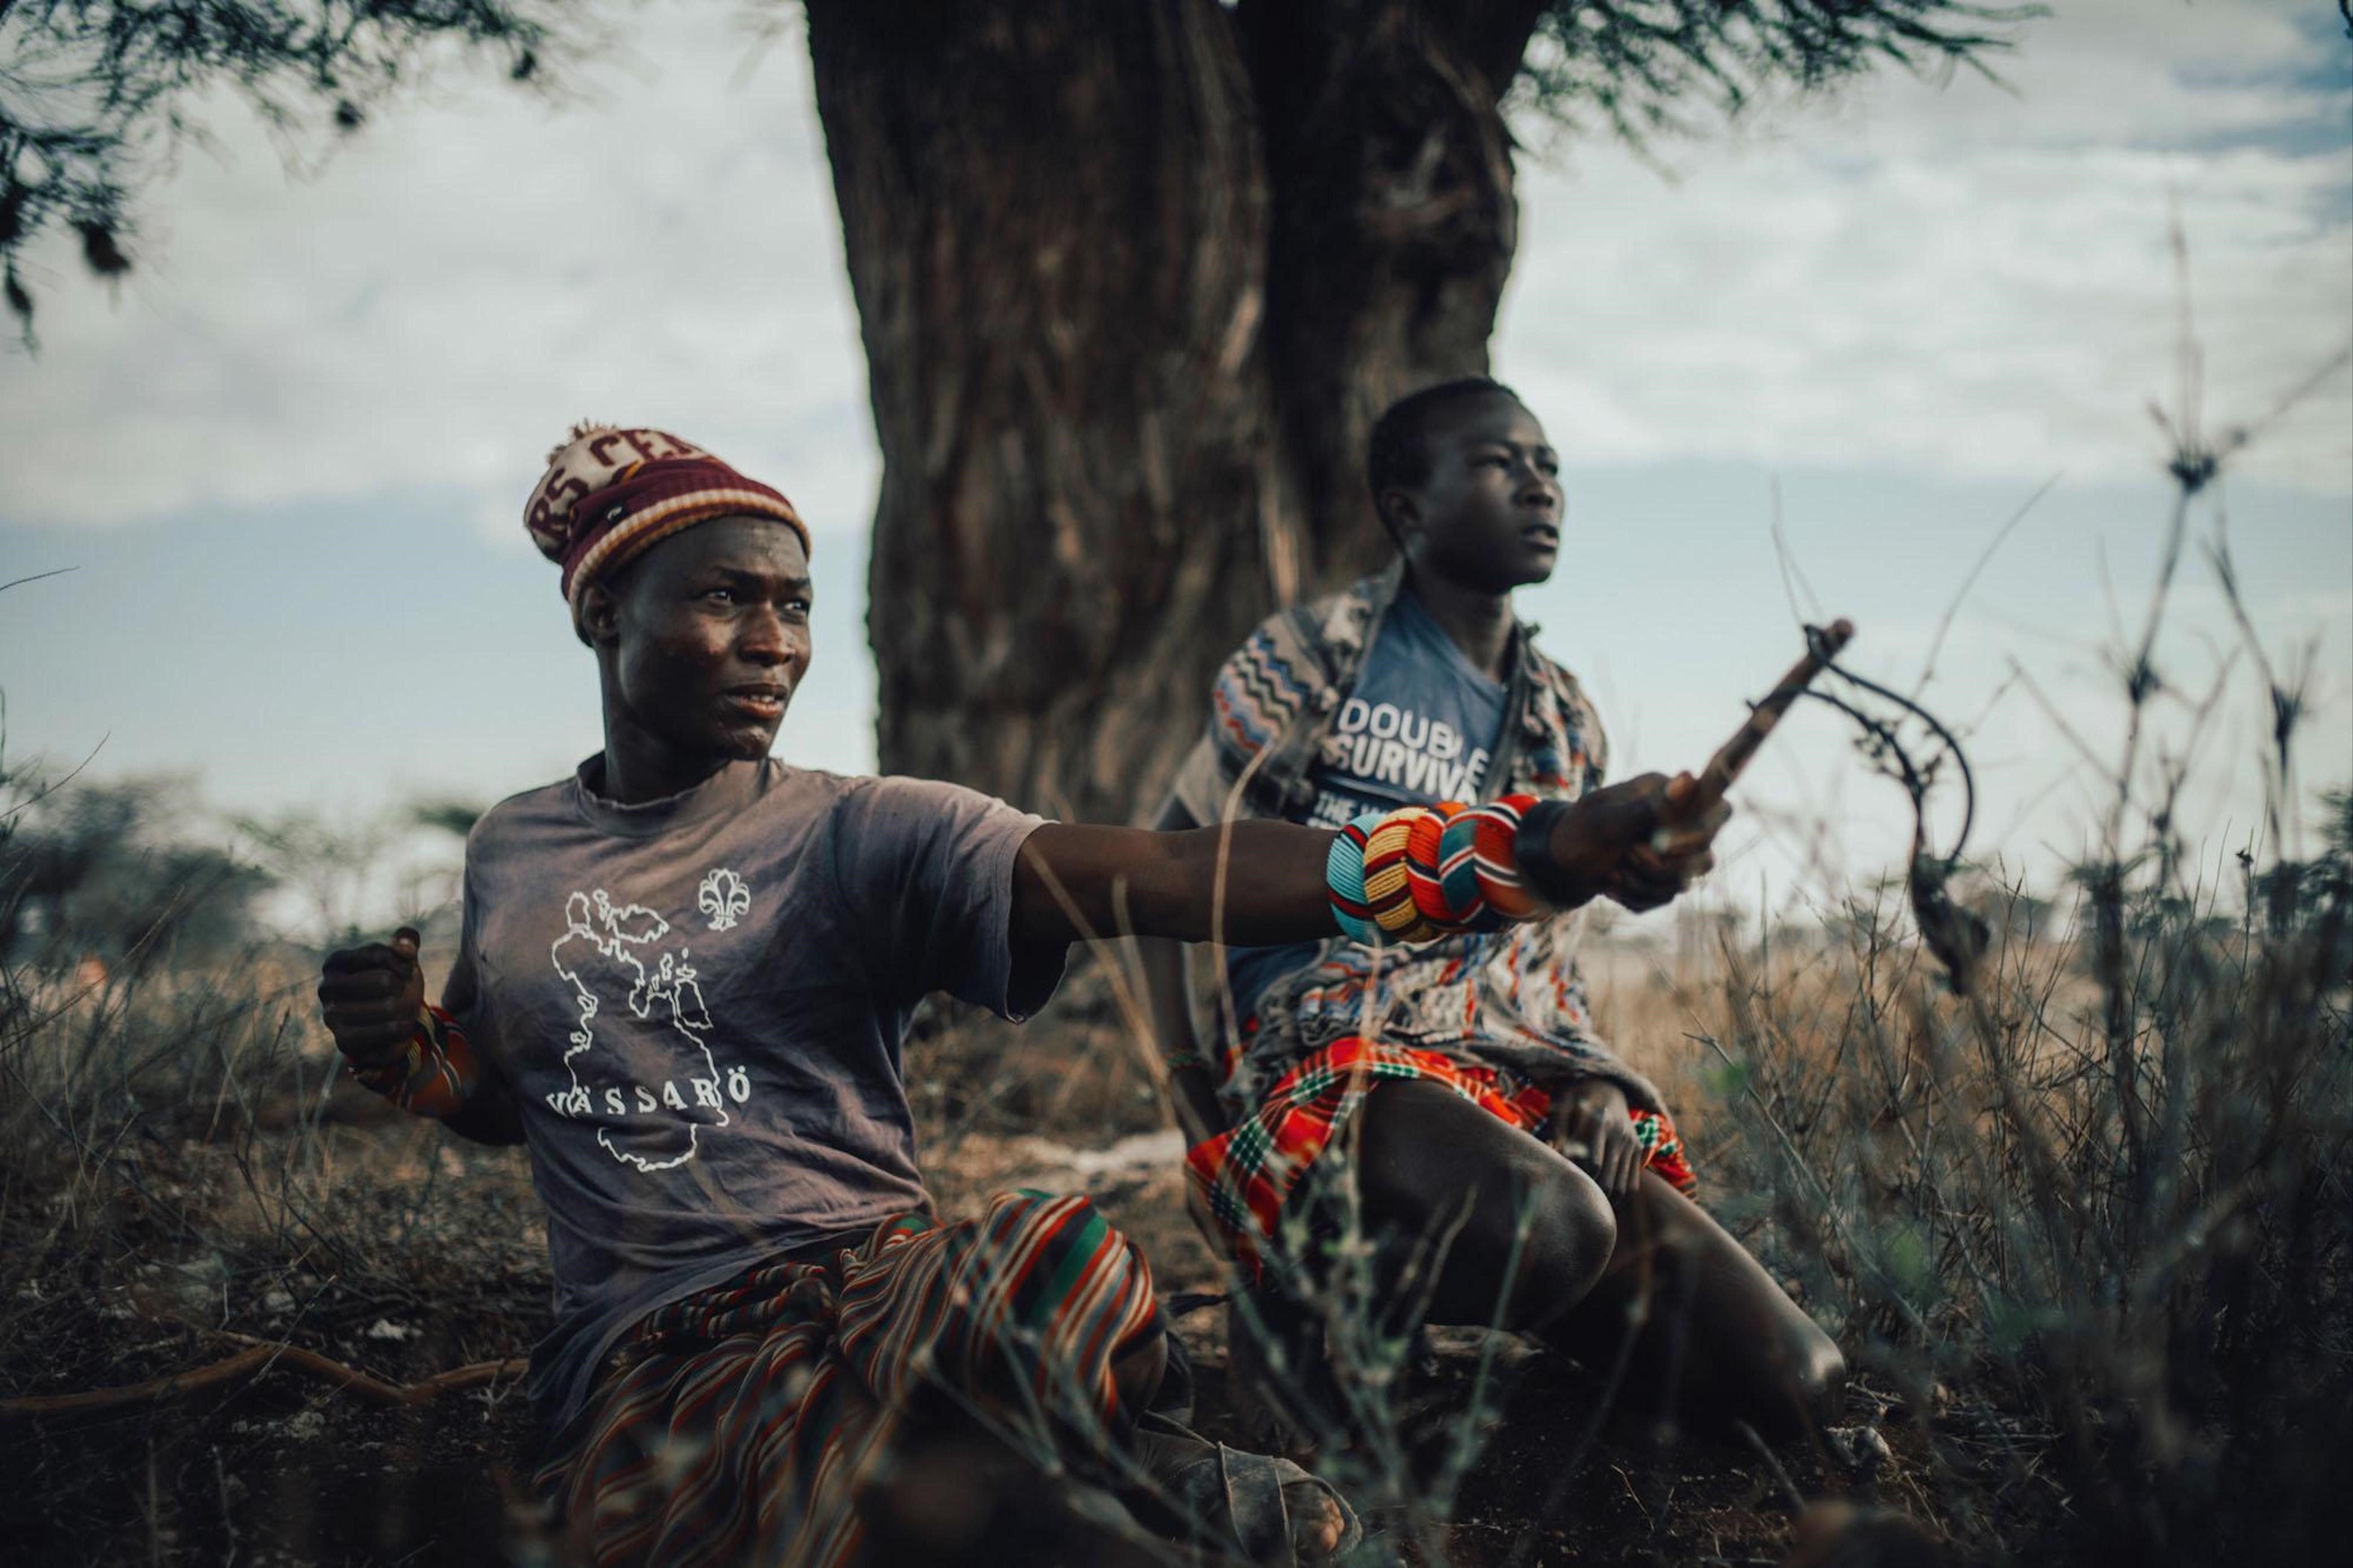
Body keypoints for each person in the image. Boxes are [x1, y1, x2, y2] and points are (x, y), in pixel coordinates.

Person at [314, 422, 1719, 1567]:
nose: (770, 640)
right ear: (604, 610)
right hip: (658, 1350)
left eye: (793, 604)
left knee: (1054, 1270)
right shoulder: (515, 847)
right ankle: (1116, 1479)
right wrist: (411, 1057)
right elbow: (520, 1101)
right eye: (723, 599)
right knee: (956, 1515)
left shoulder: (859, 830)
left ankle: (1079, 1453)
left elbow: (1163, 877)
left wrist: (1515, 849)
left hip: (884, 1289)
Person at [1143, 378, 1846, 1450]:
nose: (1538, 484)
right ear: (1406, 507)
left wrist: (1592, 1084)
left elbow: (1541, 971)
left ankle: (1440, 1328)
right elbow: (1167, 872)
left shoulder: (1564, 717)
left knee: (1795, 1383)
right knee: (1555, 1225)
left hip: (1501, 1078)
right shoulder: (1314, 660)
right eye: (1497, 462)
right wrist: (1192, 1094)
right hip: (1330, 1060)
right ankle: (1288, 1302)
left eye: (1550, 464)